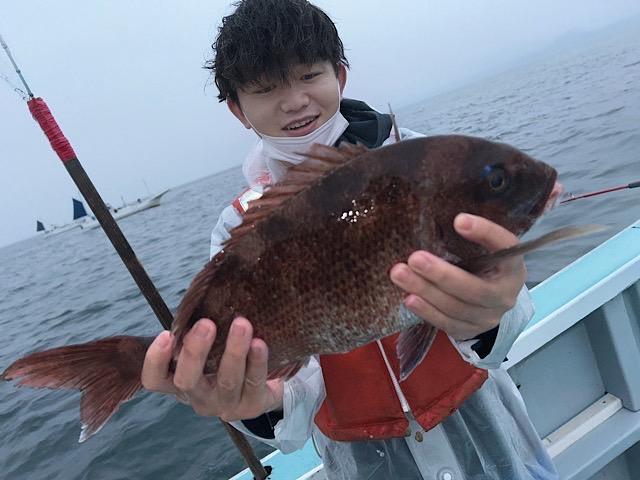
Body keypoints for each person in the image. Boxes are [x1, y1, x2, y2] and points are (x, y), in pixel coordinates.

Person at [141, 1, 558, 478]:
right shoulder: (240, 226)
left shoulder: (424, 161)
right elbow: (292, 407)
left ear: (339, 75)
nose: (294, 100)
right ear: (238, 109)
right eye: (265, 88)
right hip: (364, 459)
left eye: (308, 75)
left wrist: (489, 315)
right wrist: (258, 401)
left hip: (485, 422)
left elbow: (509, 320)